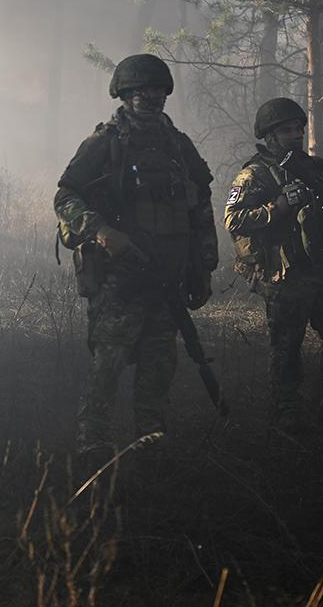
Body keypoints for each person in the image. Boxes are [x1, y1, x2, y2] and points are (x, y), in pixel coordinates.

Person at [53, 53, 218, 465]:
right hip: (119, 276)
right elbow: (65, 196)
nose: (150, 97)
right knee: (107, 362)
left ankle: (150, 438)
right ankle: (94, 442)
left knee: (159, 363)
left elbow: (200, 204)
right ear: (124, 94)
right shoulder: (104, 143)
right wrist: (103, 232)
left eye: (158, 89)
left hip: (168, 274)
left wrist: (203, 264)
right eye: (140, 90)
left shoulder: (178, 145)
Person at [223, 97, 323, 432]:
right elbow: (233, 219)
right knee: (286, 345)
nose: (295, 135)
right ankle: (287, 410)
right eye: (286, 130)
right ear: (269, 136)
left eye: (298, 129)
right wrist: (278, 207)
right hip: (286, 273)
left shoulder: (318, 169)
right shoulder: (253, 174)